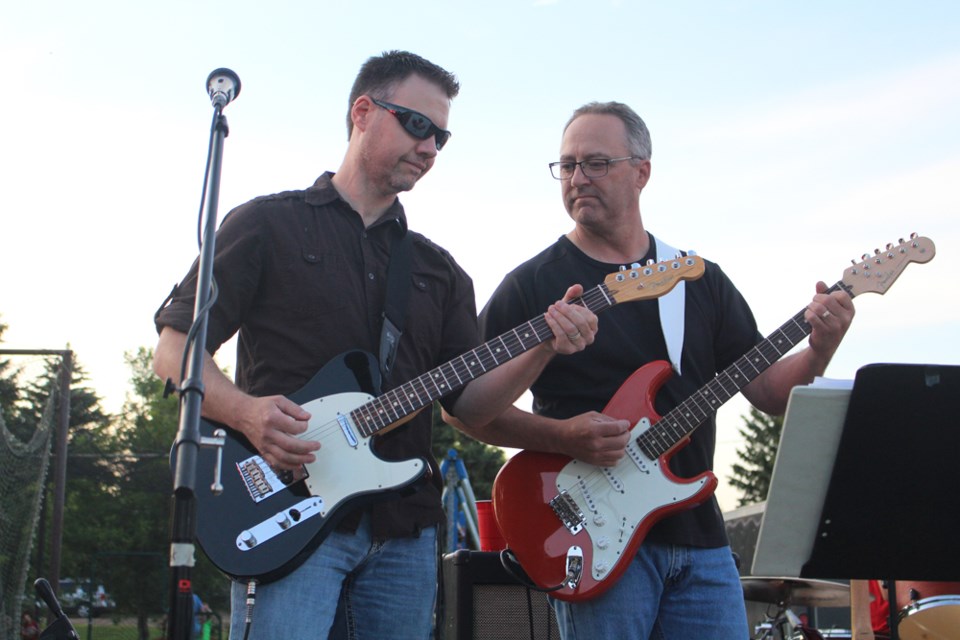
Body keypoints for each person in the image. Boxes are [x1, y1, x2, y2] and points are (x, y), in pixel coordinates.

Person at [152, 51, 596, 640]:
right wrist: (249, 413)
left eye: (441, 135)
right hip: (285, 511)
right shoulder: (265, 225)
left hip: (404, 530)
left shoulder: (440, 273)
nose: (430, 147)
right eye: (418, 125)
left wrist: (543, 344)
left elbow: (471, 408)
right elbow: (174, 350)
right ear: (363, 112)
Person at [468, 101, 856, 639]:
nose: (578, 178)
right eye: (567, 165)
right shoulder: (532, 285)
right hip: (592, 538)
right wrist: (562, 437)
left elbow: (767, 392)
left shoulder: (697, 280)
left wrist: (820, 348)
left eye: (596, 163)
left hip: (700, 540)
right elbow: (468, 411)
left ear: (642, 171)